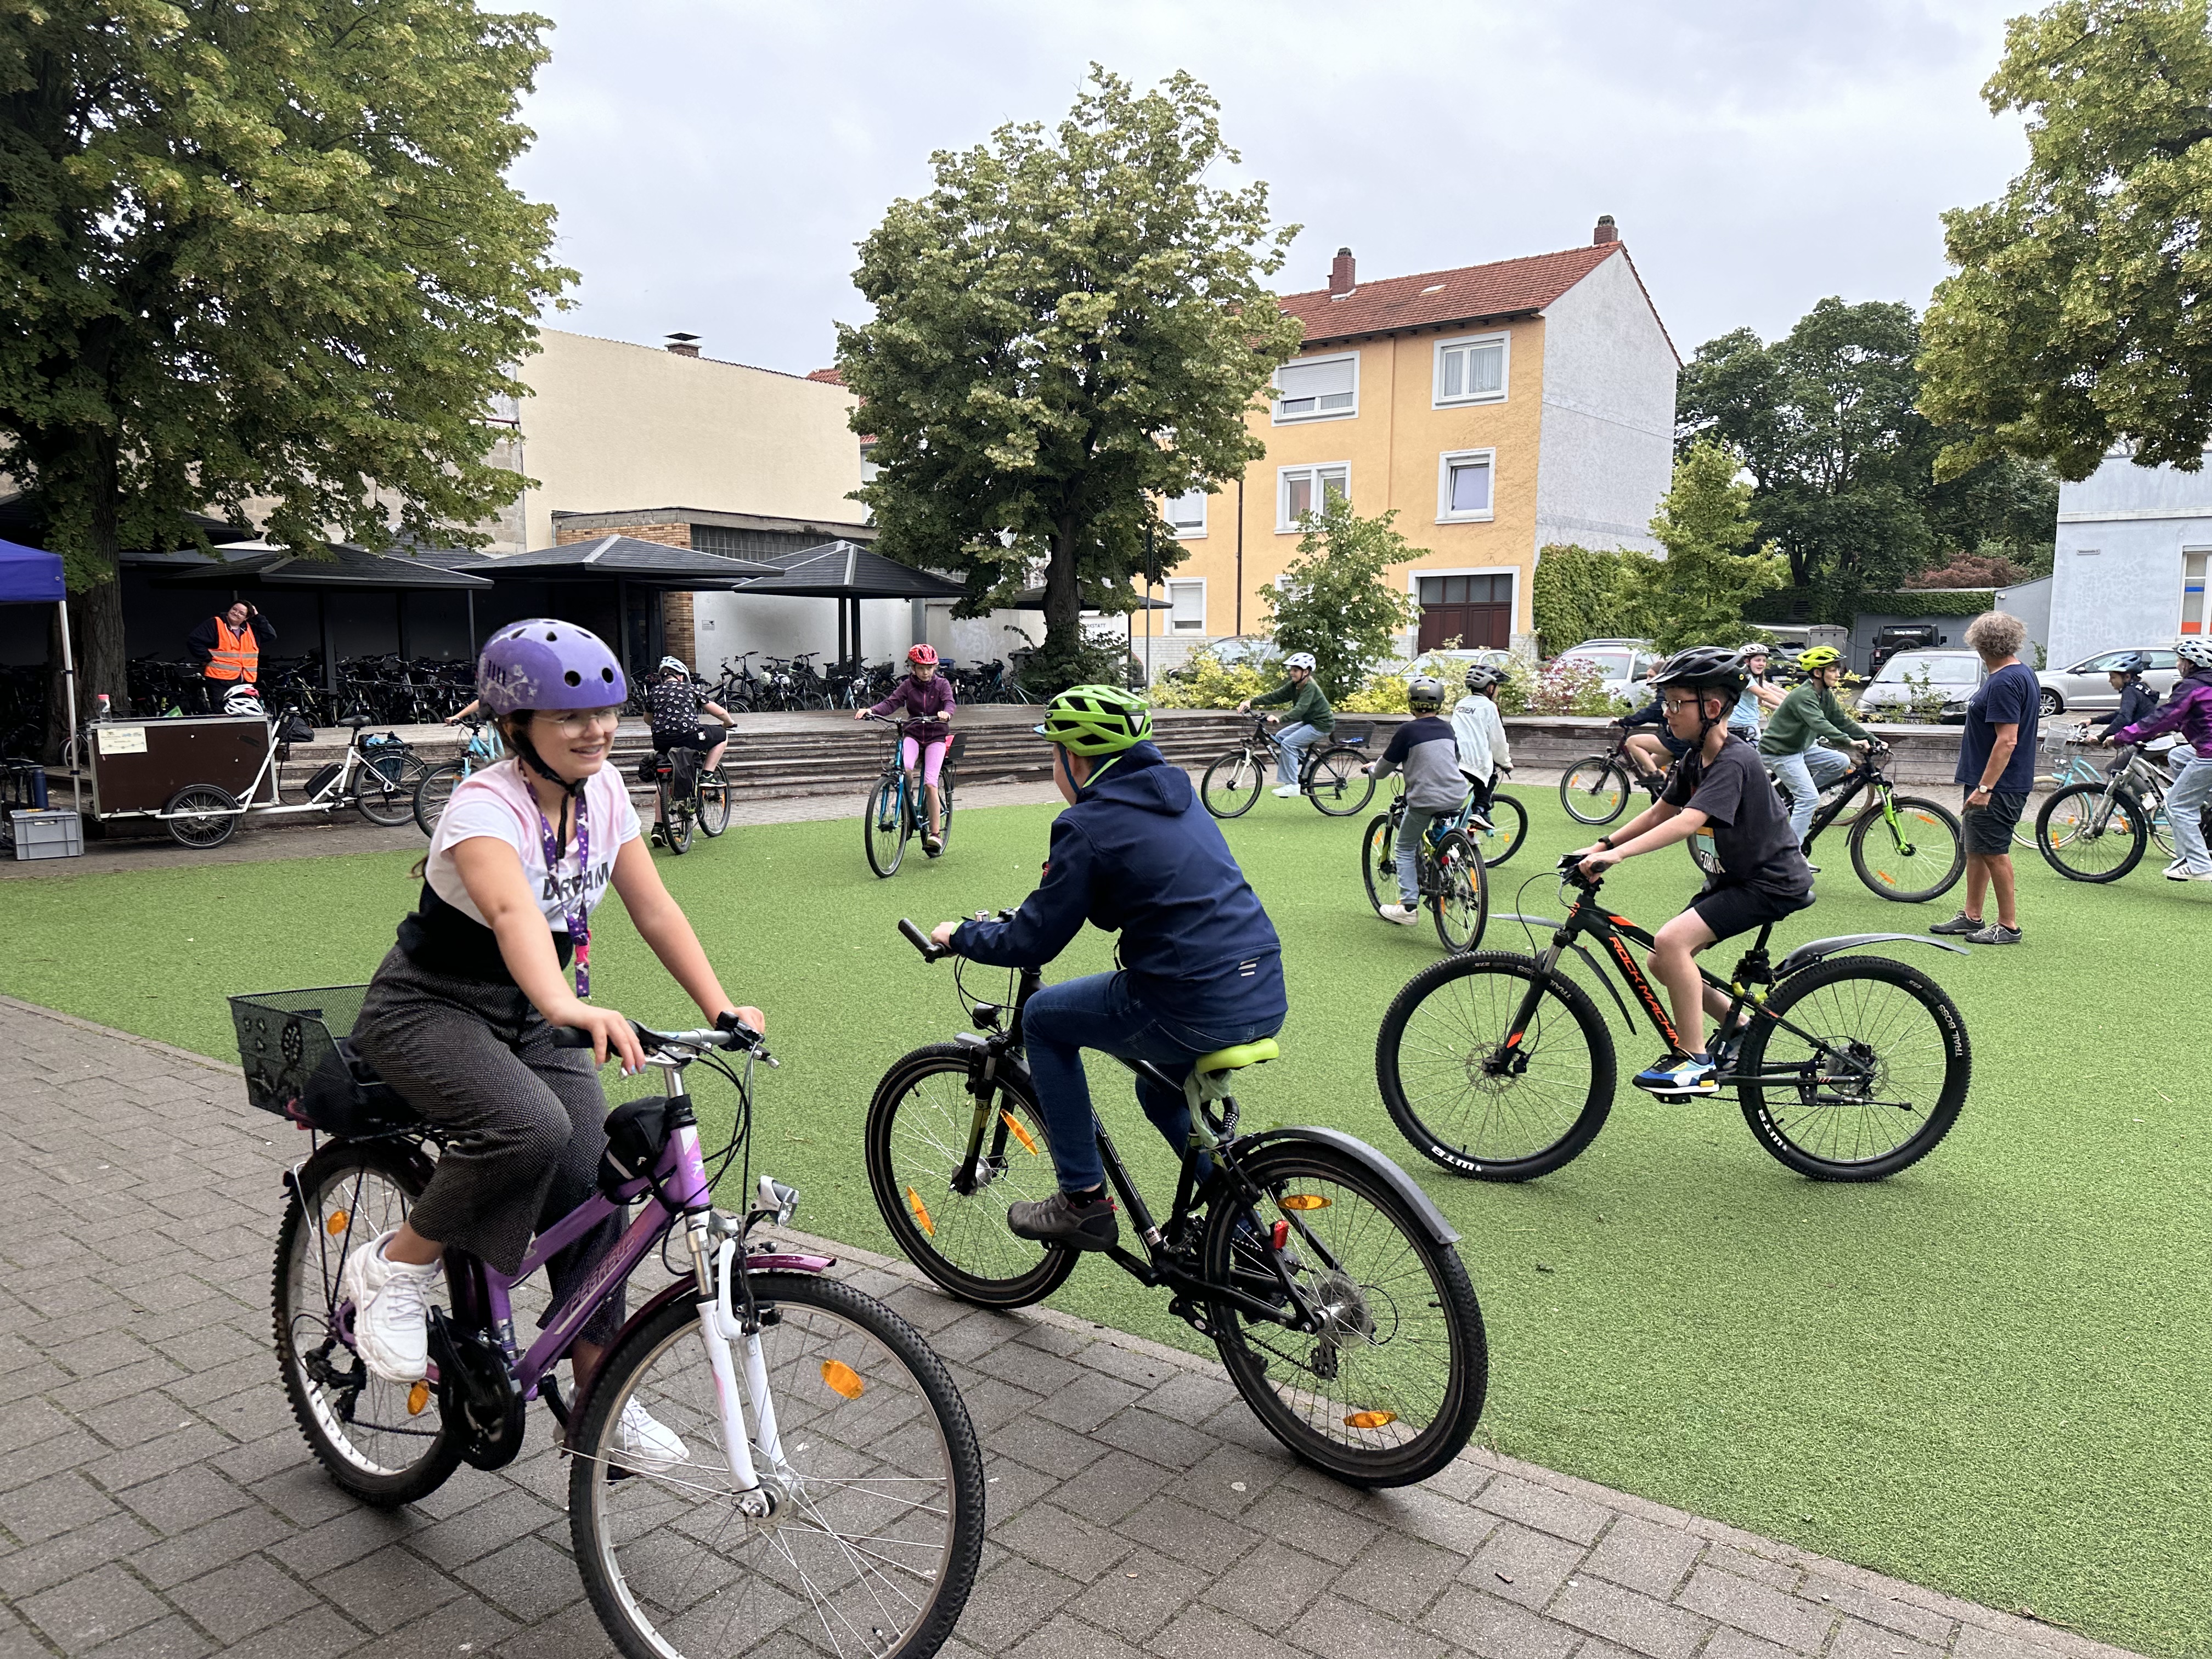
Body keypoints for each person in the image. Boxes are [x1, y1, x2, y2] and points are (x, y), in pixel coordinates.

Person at [339, 620, 764, 1472]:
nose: (594, 731)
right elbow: (511, 915)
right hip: (429, 1007)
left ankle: (600, 1401)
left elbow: (654, 909)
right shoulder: (481, 806)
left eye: (605, 712)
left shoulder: (605, 793)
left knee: (597, 1187)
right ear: (515, 728)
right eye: (568, 717)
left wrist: (722, 1006)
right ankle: (392, 1266)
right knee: (528, 1127)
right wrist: (568, 1005)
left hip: (538, 1015)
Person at [926, 685, 1285, 1250]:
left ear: (1075, 757)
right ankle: (1237, 1222)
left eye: (1055, 755)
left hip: (1188, 1001)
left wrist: (962, 935)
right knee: (1161, 1093)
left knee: (1043, 1018)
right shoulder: (1180, 795)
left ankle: (1082, 1201)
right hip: (1262, 987)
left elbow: (1035, 940)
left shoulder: (1087, 824)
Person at [1570, 646, 1814, 1098]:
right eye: (1665, 702)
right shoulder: (1694, 759)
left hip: (1768, 884)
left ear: (1713, 707)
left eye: (1675, 703)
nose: (1666, 713)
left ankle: (1695, 1061)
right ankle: (1738, 1027)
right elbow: (1662, 810)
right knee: (1661, 959)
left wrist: (1619, 858)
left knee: (1671, 943)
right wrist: (1603, 844)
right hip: (1733, 879)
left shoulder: (1734, 761)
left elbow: (1686, 820)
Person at [1927, 612, 2039, 944]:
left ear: (1980, 643)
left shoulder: (2005, 681)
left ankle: (2008, 926)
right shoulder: (2019, 673)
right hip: (1988, 781)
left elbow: (2007, 740)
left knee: (1993, 851)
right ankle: (1972, 916)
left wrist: (1985, 787)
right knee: (1976, 848)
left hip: (1997, 785)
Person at [2104, 636, 2212, 882]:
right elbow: (2180, 718)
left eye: (2180, 660)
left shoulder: (2192, 686)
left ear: (2192, 663)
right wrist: (2167, 730)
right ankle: (2206, 803)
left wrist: (2122, 737)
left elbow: (2163, 716)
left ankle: (2199, 863)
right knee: (2177, 755)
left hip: (2209, 753)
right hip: (2203, 748)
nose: (2177, 665)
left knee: (2177, 805)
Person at [1757, 645, 1874, 863]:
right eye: (1833, 670)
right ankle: (1790, 856)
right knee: (1809, 798)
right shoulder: (1804, 695)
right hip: (1780, 751)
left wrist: (1873, 739)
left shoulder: (1824, 694)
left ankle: (1796, 797)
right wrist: (1850, 742)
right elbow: (1820, 724)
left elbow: (1841, 721)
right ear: (1817, 673)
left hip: (1802, 748)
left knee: (1841, 762)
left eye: (1838, 669)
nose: (1839, 674)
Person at [1365, 676, 1465, 926]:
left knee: (1405, 847)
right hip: (1456, 794)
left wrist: (1371, 768)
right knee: (1441, 826)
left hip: (1424, 799)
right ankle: (1449, 858)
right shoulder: (1447, 728)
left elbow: (1382, 771)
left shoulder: (1407, 731)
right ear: (1439, 704)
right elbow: (1455, 758)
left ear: (1411, 704)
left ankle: (1408, 908)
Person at [855, 644, 956, 854]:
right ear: (912, 668)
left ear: (935, 668)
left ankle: (935, 834)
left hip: (936, 736)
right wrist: (870, 711)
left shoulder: (942, 684)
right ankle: (905, 798)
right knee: (905, 770)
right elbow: (890, 704)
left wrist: (946, 714)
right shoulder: (907, 686)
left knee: (930, 783)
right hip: (913, 734)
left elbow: (950, 703)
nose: (926, 672)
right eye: (921, 668)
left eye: (929, 668)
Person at [644, 656, 735, 839]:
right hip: (690, 738)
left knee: (665, 780)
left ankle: (658, 828)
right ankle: (708, 774)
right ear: (681, 676)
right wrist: (729, 722)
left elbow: (648, 720)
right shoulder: (690, 689)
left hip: (662, 741)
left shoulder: (653, 692)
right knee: (722, 736)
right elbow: (719, 712)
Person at [1236, 652, 1333, 797]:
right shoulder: (1295, 686)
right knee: (1281, 737)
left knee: (1288, 744)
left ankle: (1293, 785)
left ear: (1306, 672)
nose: (1291, 673)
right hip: (1310, 722)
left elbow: (1300, 709)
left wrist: (1280, 719)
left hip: (1321, 725)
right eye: (1291, 669)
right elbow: (1275, 696)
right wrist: (1251, 701)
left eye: (1295, 670)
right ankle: (1307, 764)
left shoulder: (1310, 688)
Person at [187, 600, 277, 714]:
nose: (236, 613)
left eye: (241, 613)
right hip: (220, 679)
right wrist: (207, 658)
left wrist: (258, 617)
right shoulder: (216, 623)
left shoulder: (251, 629)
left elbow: (271, 635)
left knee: (245, 712)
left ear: (246, 617)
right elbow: (194, 640)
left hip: (245, 679)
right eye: (234, 609)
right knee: (223, 713)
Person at [1450, 663, 1513, 819]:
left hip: (1452, 757)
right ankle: (1479, 812)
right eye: (1497, 687)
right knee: (1489, 779)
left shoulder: (1462, 704)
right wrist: (1505, 763)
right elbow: (1498, 740)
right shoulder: (1489, 707)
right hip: (1474, 761)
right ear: (1490, 688)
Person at [2089, 653, 2160, 742]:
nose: (2110, 680)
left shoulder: (2129, 691)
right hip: (2152, 739)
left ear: (2127, 677)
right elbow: (2120, 714)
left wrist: (2100, 738)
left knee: (2123, 756)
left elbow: (2124, 718)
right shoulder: (2140, 687)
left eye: (2113, 677)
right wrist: (2092, 721)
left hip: (2152, 744)